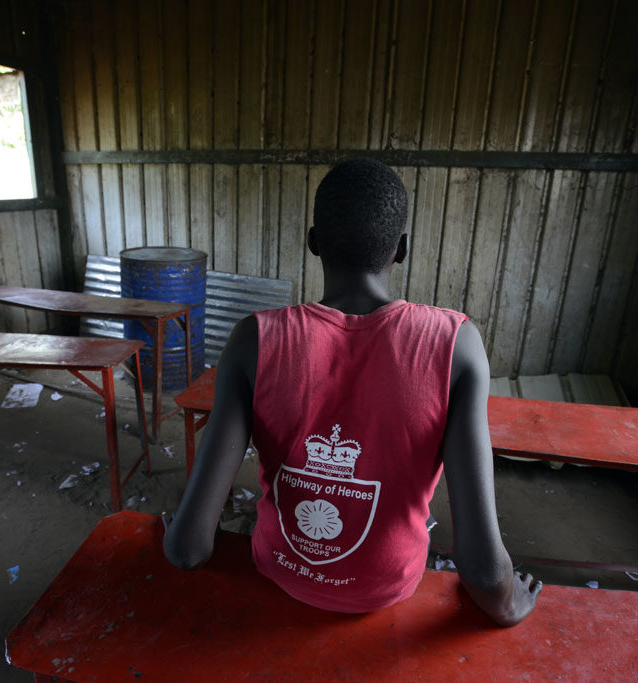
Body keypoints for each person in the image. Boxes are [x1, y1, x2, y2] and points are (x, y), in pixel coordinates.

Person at [164, 158, 540, 626]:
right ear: (400, 250)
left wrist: (178, 534)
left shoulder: (253, 340)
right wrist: (509, 605)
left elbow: (188, 549)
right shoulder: (454, 345)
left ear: (313, 242)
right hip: (389, 588)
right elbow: (484, 574)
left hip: (281, 571)